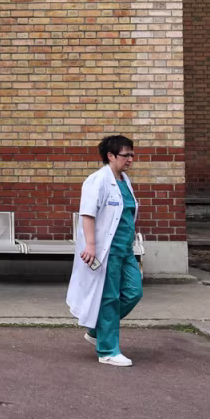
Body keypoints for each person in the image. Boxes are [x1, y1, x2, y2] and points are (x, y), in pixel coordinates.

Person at [66, 134, 142, 366]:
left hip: (125, 249)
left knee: (133, 291)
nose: (130, 159)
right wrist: (90, 245)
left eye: (131, 154)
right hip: (105, 251)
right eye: (125, 155)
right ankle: (108, 351)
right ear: (110, 156)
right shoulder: (97, 180)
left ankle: (98, 330)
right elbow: (87, 214)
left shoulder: (124, 181)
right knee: (109, 298)